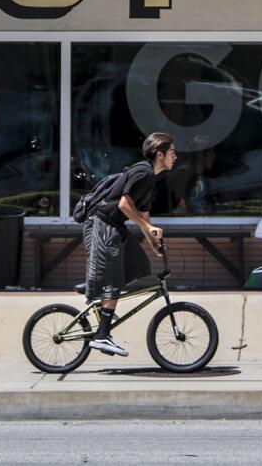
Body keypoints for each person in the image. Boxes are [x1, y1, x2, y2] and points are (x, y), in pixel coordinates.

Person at [79, 131, 176, 357]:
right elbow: (124, 204)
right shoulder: (143, 172)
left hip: (113, 226)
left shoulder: (149, 177)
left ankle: (99, 288)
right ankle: (101, 336)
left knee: (138, 264)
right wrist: (147, 227)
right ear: (160, 154)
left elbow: (142, 211)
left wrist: (153, 242)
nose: (175, 157)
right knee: (113, 279)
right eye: (172, 152)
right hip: (101, 224)